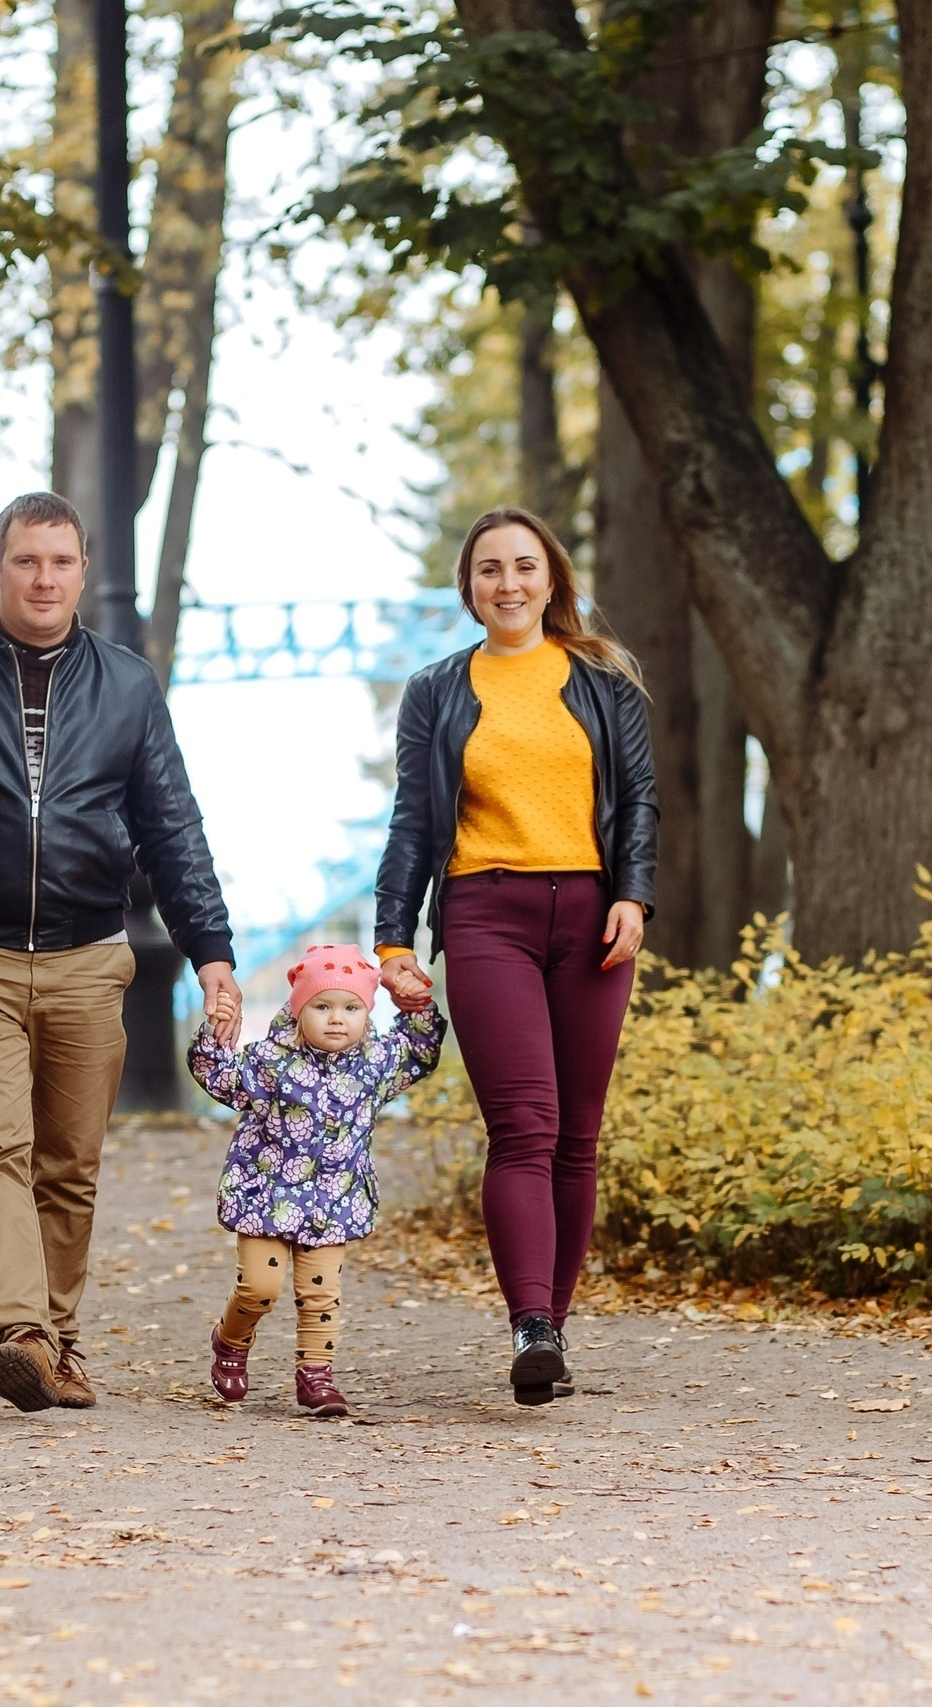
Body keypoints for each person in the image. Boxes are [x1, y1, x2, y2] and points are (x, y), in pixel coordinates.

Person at [0, 490, 243, 1414]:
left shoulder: (128, 685)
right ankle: (19, 1328)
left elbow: (171, 828)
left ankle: (56, 1341)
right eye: (27, 561)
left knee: (69, 1162)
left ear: (82, 571)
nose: (44, 578)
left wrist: (211, 949)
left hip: (84, 955)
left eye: (61, 562)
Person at [373, 505, 656, 1406]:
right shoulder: (438, 689)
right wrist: (394, 938)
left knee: (578, 1133)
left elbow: (640, 800)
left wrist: (635, 896)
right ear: (469, 588)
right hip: (485, 912)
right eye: (490, 569)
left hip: (593, 916)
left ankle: (556, 1333)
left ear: (551, 578)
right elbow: (414, 822)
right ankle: (528, 1322)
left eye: (524, 567)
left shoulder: (606, 680)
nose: (509, 584)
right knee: (525, 1125)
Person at [192, 944, 447, 1417]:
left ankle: (317, 1376)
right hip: (266, 1197)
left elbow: (420, 1053)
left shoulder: (377, 1063)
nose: (337, 1019)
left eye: (351, 1008)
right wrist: (214, 1033)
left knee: (320, 1294)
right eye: (322, 1006)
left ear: (367, 1015)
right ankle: (230, 1339)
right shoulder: (269, 1062)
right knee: (259, 1289)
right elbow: (219, 1077)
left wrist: (417, 1006)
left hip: (335, 1198)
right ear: (298, 1010)